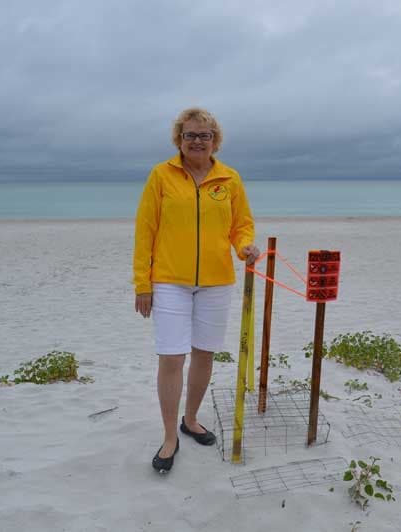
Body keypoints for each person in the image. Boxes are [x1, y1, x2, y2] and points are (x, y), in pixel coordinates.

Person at [133, 108, 260, 473]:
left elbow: (241, 226)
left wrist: (244, 248)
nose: (197, 141)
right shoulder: (161, 176)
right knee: (172, 358)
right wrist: (143, 282)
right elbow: (146, 232)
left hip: (217, 282)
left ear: (214, 139)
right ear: (179, 140)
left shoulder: (229, 178)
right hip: (170, 280)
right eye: (190, 135)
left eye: (204, 135)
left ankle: (191, 419)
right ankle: (170, 436)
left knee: (204, 355)